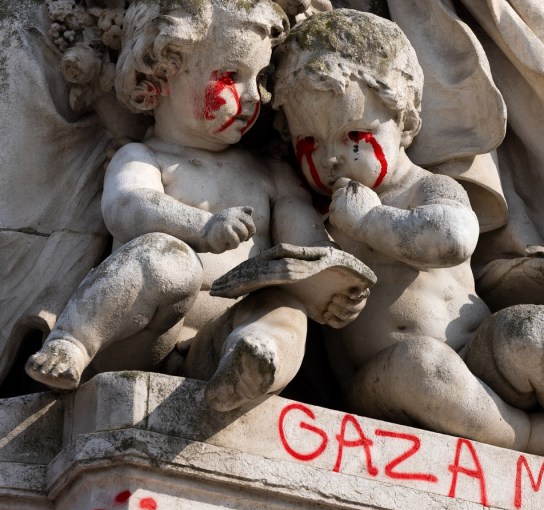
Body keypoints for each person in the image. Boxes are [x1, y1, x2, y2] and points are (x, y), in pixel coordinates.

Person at [272, 9, 544, 477]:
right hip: (388, 384)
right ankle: (524, 434)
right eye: (309, 142)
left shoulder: (427, 187)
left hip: (477, 354)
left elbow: (452, 239)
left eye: (353, 135)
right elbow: (297, 272)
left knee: (539, 332)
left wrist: (370, 221)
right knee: (417, 364)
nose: (331, 158)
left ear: (404, 119)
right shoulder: (313, 218)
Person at [25, 0, 366, 412]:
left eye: (259, 79)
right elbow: (128, 207)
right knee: (169, 259)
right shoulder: (142, 157)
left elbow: (308, 244)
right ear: (161, 75)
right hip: (142, 338)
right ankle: (72, 342)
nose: (253, 96)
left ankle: (247, 370)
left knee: (284, 310)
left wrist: (332, 285)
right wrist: (202, 227)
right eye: (231, 76)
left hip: (216, 342)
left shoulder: (271, 175)